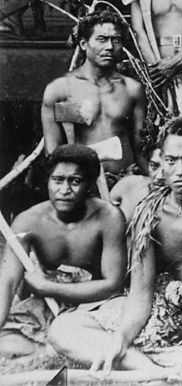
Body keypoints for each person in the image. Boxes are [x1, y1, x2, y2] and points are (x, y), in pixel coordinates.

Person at [53, 117, 182, 382]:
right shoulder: (149, 211)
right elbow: (141, 295)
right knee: (64, 328)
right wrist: (122, 337)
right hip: (165, 310)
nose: (180, 170)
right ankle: (154, 372)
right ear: (161, 161)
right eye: (171, 160)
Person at [0, 145, 126, 357]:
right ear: (48, 181)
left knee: (115, 320)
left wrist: (46, 287)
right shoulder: (28, 221)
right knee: (6, 342)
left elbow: (112, 284)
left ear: (89, 185)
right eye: (57, 180)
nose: (64, 189)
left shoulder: (108, 217)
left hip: (97, 304)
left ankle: (59, 344)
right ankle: (49, 348)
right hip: (48, 306)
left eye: (75, 181)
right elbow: (8, 281)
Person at [41, 11, 146, 178]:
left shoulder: (131, 89)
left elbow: (140, 146)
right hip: (83, 184)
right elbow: (53, 151)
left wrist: (149, 183)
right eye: (102, 39)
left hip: (126, 181)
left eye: (116, 40)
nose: (110, 47)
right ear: (83, 44)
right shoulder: (60, 90)